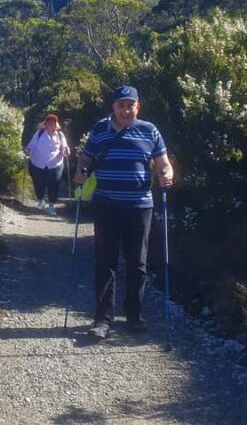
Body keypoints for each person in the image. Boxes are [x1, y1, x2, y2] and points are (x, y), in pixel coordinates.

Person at [74, 85, 174, 340]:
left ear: (137, 107)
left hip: (140, 206)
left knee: (137, 263)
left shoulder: (150, 131)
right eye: (121, 105)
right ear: (114, 107)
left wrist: (167, 175)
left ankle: (134, 315)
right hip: (106, 204)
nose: (126, 110)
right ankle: (102, 320)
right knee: (105, 261)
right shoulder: (99, 129)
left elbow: (164, 163)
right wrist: (81, 171)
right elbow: (86, 158)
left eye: (130, 105)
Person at [24, 114, 70, 216]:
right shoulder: (39, 133)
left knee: (54, 184)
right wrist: (28, 150)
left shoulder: (60, 135)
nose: (50, 123)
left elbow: (65, 146)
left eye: (53, 122)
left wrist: (66, 150)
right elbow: (31, 145)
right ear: (45, 123)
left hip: (55, 164)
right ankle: (41, 200)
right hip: (38, 162)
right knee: (38, 182)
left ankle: (51, 206)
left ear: (55, 124)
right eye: (49, 122)